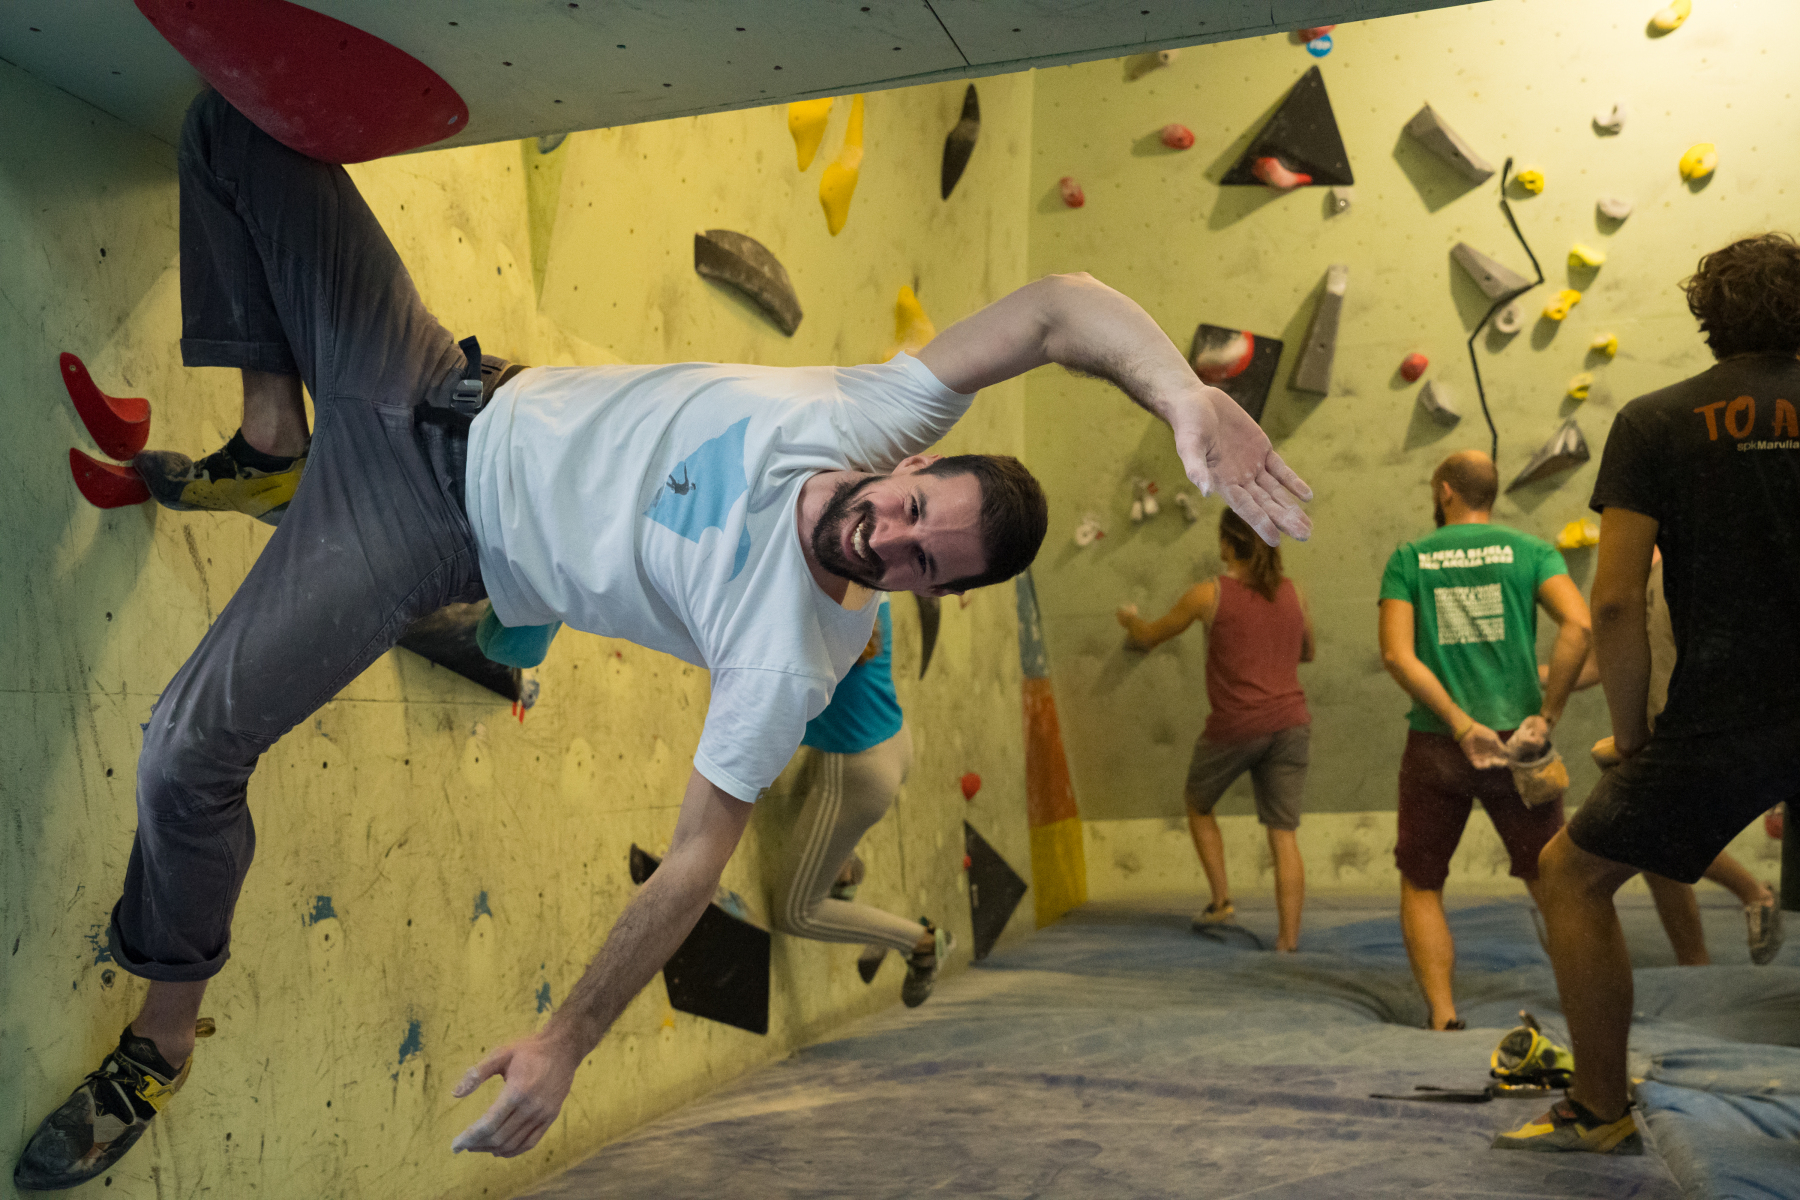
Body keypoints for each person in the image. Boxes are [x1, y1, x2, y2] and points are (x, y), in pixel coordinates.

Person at [14, 90, 1312, 1188]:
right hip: (423, 372)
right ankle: (273, 440)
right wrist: (1181, 395)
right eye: (917, 512)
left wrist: (568, 1040)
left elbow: (695, 862)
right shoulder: (866, 415)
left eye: (926, 562)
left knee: (183, 754)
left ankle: (160, 1043)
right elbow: (1060, 309)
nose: (891, 540)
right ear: (916, 464)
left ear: (940, 591)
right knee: (230, 127)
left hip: (415, 533)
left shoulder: (790, 656)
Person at [1498, 234, 1800, 1156]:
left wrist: (1633, 737)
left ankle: (1599, 1108)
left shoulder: (1655, 421)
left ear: (1707, 317)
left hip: (1722, 716)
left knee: (1571, 874)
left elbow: (1617, 600)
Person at [1376, 451, 1591, 1032]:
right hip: (1520, 742)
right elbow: (1580, 625)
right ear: (1490, 493)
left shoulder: (1410, 558)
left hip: (1438, 742)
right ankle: (1585, 1007)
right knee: (1553, 880)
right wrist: (1548, 715)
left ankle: (1444, 1015)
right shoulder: (1533, 552)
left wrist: (1458, 721)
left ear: (1445, 491)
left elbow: (1396, 654)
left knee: (1422, 881)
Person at [1551, 550, 1782, 968]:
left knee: (1649, 839)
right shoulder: (1637, 571)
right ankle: (1699, 954)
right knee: (1652, 845)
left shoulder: (1678, 566)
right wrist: (1540, 681)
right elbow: (1604, 662)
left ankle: (1749, 899)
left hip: (1690, 735)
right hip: (1660, 735)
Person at [1117, 508, 1315, 951]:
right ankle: (1288, 942)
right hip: (1291, 723)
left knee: (1198, 802)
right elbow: (1308, 652)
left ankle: (1222, 901)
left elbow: (1149, 636)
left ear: (1227, 544)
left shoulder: (1208, 595)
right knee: (1283, 834)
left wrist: (1129, 620)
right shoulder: (1295, 592)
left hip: (1237, 725)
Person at [771, 596, 953, 1005]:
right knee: (818, 801)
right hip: (892, 741)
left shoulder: (810, 602)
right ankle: (842, 870)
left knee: (795, 912)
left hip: (857, 769)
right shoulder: (872, 583)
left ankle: (922, 945)